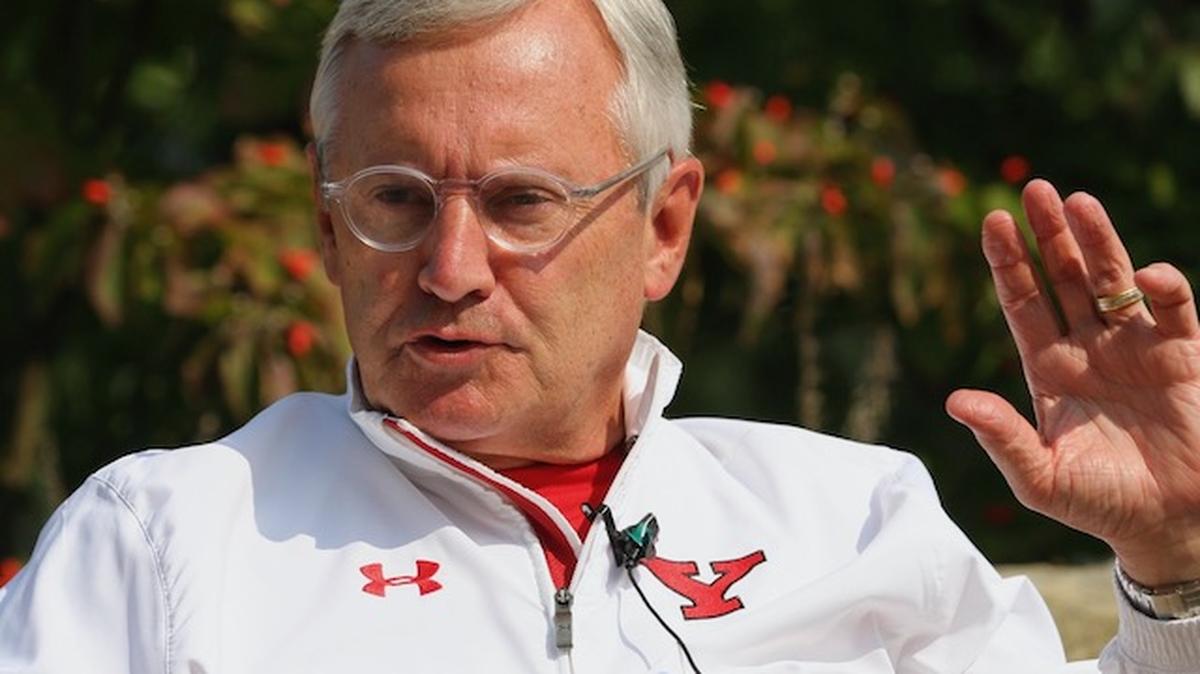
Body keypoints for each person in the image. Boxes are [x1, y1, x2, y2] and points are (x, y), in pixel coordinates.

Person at [2, 0, 1198, 671]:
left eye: (522, 202)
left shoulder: (853, 516)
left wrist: (1176, 571)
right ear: (326, 225)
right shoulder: (166, 542)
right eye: (395, 201)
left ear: (663, 226)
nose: (450, 269)